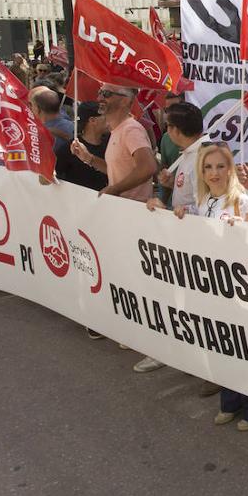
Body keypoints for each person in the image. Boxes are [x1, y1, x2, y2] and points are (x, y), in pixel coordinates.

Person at [168, 143, 248, 430]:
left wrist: (246, 228)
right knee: (223, 342)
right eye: (208, 167)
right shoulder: (201, 202)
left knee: (245, 345)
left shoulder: (242, 200)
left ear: (230, 169)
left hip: (241, 287)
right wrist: (163, 207)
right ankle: (231, 400)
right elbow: (187, 218)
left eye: (220, 166)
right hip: (213, 286)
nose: (214, 173)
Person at [71, 84, 161, 373]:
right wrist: (89, 159)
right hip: (124, 215)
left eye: (107, 94)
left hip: (135, 216)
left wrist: (114, 190)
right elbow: (118, 171)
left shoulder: (131, 130)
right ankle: (142, 337)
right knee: (130, 279)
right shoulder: (117, 132)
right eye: (100, 92)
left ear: (125, 101)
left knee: (142, 283)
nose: (99, 98)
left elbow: (148, 168)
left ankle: (157, 348)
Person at [151, 102, 205, 214]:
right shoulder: (192, 152)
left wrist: (166, 211)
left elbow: (208, 207)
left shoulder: (203, 158)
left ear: (175, 130)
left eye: (167, 125)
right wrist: (173, 184)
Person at [55, 102, 108, 191]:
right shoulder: (70, 148)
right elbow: (54, 175)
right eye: (106, 116)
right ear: (92, 120)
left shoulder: (111, 143)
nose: (110, 120)